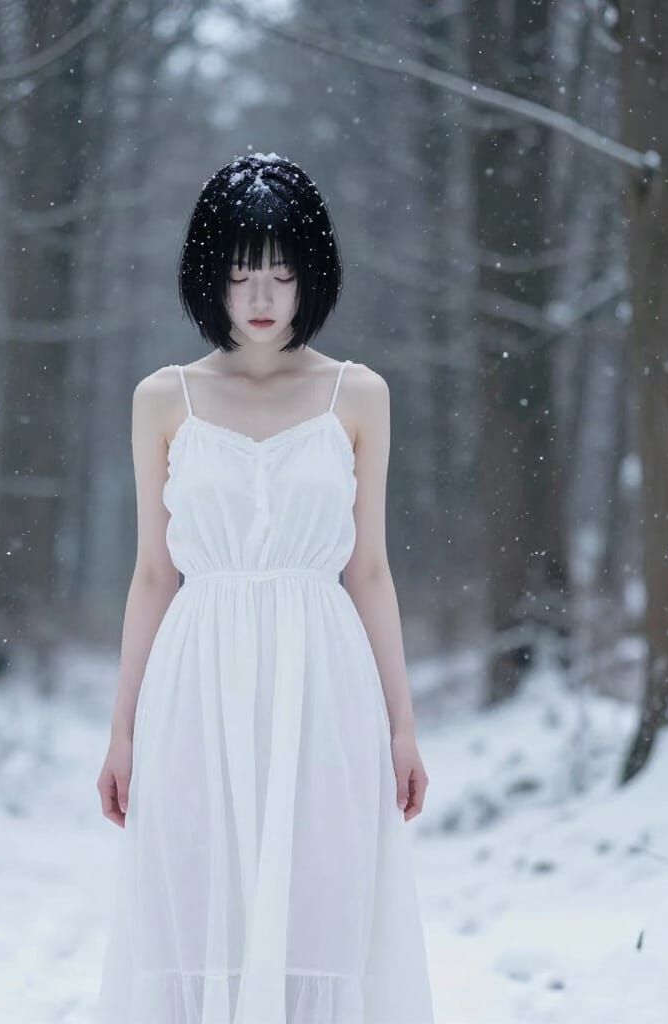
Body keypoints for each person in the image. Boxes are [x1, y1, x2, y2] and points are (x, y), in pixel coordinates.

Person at [94, 153, 436, 1023]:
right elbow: (153, 573)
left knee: (321, 900)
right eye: (241, 272)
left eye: (281, 273)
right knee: (200, 897)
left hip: (322, 677)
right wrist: (122, 731)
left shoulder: (357, 395)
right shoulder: (163, 399)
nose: (261, 296)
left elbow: (369, 570)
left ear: (310, 276)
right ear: (208, 276)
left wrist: (402, 725)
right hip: (196, 678)